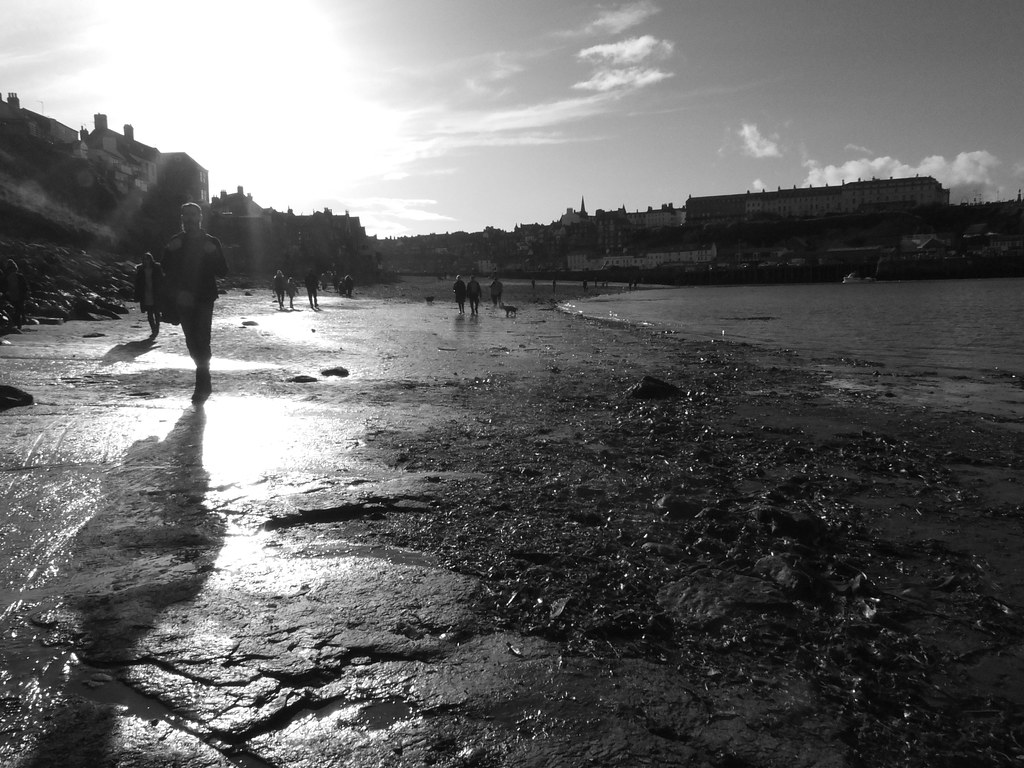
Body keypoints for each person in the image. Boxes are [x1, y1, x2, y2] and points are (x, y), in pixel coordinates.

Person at [161, 202, 228, 403]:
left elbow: (223, 271)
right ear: (182, 218)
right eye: (186, 215)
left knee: (202, 338)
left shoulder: (211, 241)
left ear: (200, 218)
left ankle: (202, 382)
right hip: (183, 298)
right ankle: (202, 374)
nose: (189, 219)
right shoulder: (175, 241)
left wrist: (213, 253)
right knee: (191, 341)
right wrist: (169, 251)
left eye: (193, 215)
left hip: (205, 297)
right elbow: (164, 269)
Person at [134, 252, 164, 337]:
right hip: (145, 292)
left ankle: (157, 327)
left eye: (148, 259)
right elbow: (138, 283)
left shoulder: (157, 267)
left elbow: (161, 279)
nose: (147, 261)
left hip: (155, 292)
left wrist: (163, 291)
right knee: (149, 313)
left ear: (151, 259)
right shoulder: (141, 269)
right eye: (145, 259)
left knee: (157, 312)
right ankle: (153, 329)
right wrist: (137, 295)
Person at [3, 259, 30, 330]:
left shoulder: (7, 277)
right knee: (19, 310)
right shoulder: (19, 276)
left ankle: (15, 324)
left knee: (14, 310)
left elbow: (4, 287)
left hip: (11, 296)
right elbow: (25, 287)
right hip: (18, 296)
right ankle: (18, 324)